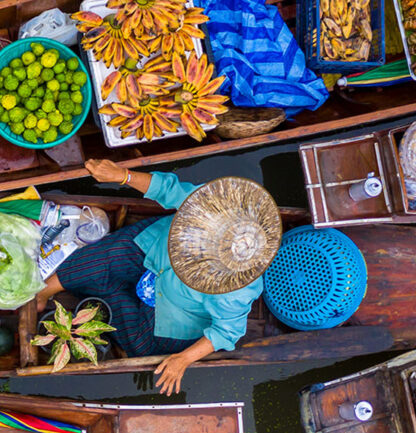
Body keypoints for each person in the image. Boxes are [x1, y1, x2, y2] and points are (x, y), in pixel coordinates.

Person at [34, 160, 281, 395]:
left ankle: (100, 289)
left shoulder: (237, 290)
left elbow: (226, 332)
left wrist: (183, 359)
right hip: (152, 248)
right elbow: (170, 190)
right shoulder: (219, 206)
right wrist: (122, 175)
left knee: (141, 346)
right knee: (111, 254)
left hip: (170, 312)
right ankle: (49, 288)